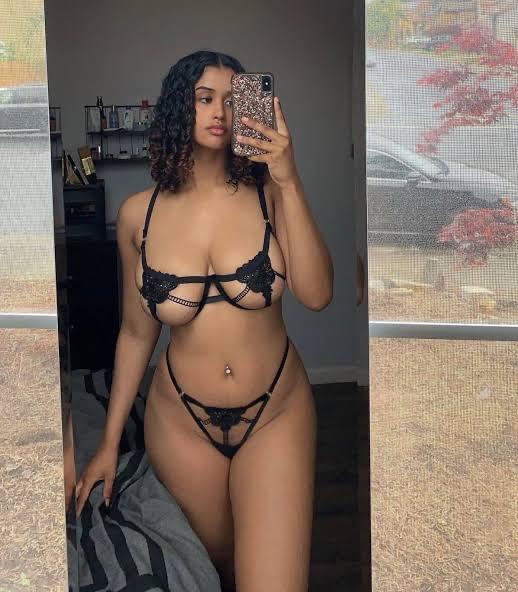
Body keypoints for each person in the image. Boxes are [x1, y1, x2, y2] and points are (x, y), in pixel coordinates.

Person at [75, 50, 334, 591]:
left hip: (276, 412)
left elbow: (317, 295)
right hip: (181, 425)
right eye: (204, 98)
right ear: (180, 108)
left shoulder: (270, 195)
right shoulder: (138, 214)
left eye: (233, 100)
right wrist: (108, 444)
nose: (220, 112)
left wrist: (289, 179)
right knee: (209, 578)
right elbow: (136, 333)